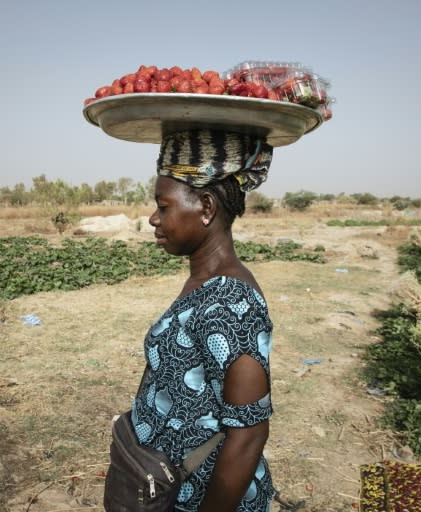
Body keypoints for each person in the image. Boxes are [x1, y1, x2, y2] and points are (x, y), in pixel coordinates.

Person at [130, 129, 275, 511]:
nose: (152, 219)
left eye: (164, 207)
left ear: (206, 207)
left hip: (205, 496)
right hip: (171, 482)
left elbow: (247, 435)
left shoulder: (232, 302)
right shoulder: (201, 279)